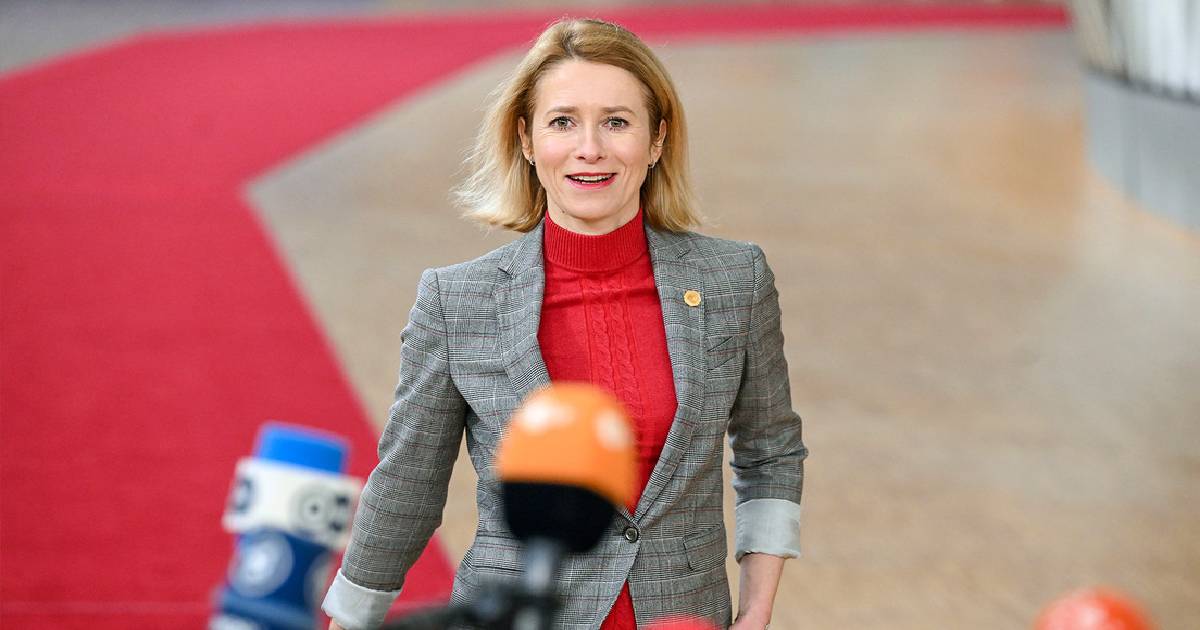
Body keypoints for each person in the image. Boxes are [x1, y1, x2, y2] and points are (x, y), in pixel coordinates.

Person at [323, 17, 806, 630]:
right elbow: (408, 486)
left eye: (617, 122)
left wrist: (756, 611)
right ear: (526, 140)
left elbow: (770, 452)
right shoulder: (457, 300)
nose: (590, 148)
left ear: (657, 139)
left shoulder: (735, 281)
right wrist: (349, 619)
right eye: (562, 122)